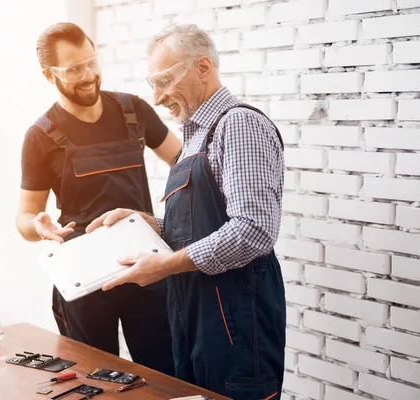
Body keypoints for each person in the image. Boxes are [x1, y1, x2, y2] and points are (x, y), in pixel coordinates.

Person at [86, 24, 286, 399]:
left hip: (236, 324)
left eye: (164, 81)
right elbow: (208, 223)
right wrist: (153, 226)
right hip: (195, 318)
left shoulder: (238, 124)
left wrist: (166, 266)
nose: (157, 98)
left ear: (204, 67)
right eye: (153, 84)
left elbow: (253, 230)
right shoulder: (197, 135)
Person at [16, 22, 181, 376]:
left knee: (166, 374)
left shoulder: (133, 111)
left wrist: (178, 223)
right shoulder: (40, 135)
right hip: (84, 277)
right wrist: (37, 225)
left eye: (92, 62)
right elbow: (25, 218)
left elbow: (186, 166)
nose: (89, 75)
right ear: (49, 75)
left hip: (145, 268)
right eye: (74, 69)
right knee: (97, 379)